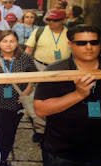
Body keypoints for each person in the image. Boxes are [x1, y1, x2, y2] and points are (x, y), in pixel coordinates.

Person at [34, 24, 101, 166]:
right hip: (62, 153)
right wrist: (78, 94)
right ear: (70, 44)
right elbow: (41, 109)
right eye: (82, 43)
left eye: (94, 42)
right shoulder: (56, 71)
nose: (89, 47)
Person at [0, 30, 38, 166]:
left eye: (12, 41)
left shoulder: (24, 58)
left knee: (9, 134)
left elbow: (34, 75)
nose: (8, 44)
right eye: (5, 41)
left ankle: (3, 160)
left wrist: (27, 91)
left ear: (17, 42)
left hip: (15, 102)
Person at [25, 9, 71, 143]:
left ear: (64, 20)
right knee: (39, 97)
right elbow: (28, 50)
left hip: (63, 70)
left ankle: (57, 128)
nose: (51, 22)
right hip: (41, 67)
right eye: (49, 20)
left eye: (55, 20)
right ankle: (39, 130)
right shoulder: (39, 31)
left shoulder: (70, 34)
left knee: (61, 98)